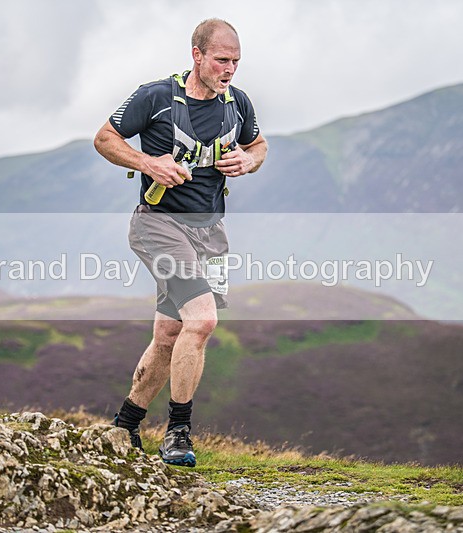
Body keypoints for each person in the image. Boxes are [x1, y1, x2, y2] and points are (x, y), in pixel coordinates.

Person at [93, 18, 268, 467]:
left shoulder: (238, 103)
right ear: (197, 55)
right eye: (221, 60)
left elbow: (260, 145)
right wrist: (149, 163)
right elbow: (105, 139)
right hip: (159, 225)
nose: (229, 70)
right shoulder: (155, 97)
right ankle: (178, 433)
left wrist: (248, 160)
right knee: (203, 321)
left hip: (211, 233)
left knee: (171, 333)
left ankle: (125, 426)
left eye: (235, 62)